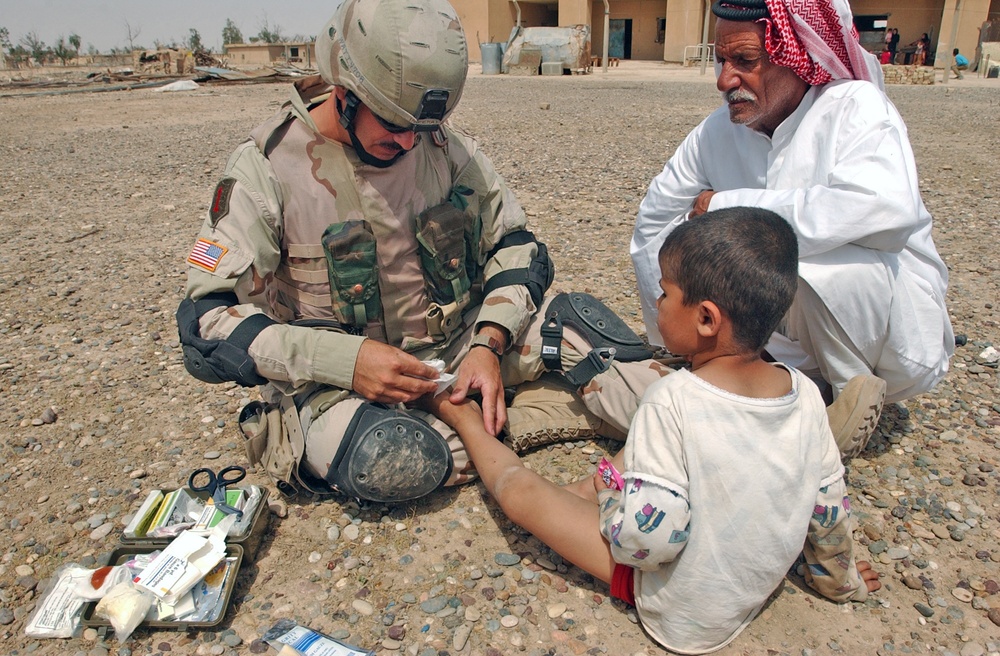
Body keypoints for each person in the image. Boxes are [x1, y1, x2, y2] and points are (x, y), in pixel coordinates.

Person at [176, 0, 669, 504]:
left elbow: (517, 246)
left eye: (422, 126)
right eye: (393, 124)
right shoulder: (266, 169)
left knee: (609, 350)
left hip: (461, 346)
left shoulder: (440, 146)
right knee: (390, 461)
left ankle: (492, 415)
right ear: (345, 92)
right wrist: (348, 360)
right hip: (341, 383)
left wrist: (489, 341)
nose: (411, 142)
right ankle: (505, 416)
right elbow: (206, 323)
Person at [425, 207, 882, 654]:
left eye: (664, 294)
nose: (657, 304)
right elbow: (828, 511)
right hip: (749, 587)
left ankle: (459, 413)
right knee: (654, 456)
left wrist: (611, 502)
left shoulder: (672, 400)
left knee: (520, 493)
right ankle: (592, 484)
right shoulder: (802, 393)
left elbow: (648, 543)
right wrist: (839, 582)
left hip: (679, 607)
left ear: (706, 319)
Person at [630, 0, 954, 458]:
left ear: (796, 54)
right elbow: (655, 223)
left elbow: (884, 210)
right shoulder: (714, 134)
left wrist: (729, 205)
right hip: (775, 337)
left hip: (889, 337)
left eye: (745, 62)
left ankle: (844, 400)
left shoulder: (855, 110)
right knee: (704, 250)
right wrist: (673, 339)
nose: (725, 81)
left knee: (784, 256)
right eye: (722, 61)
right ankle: (765, 383)